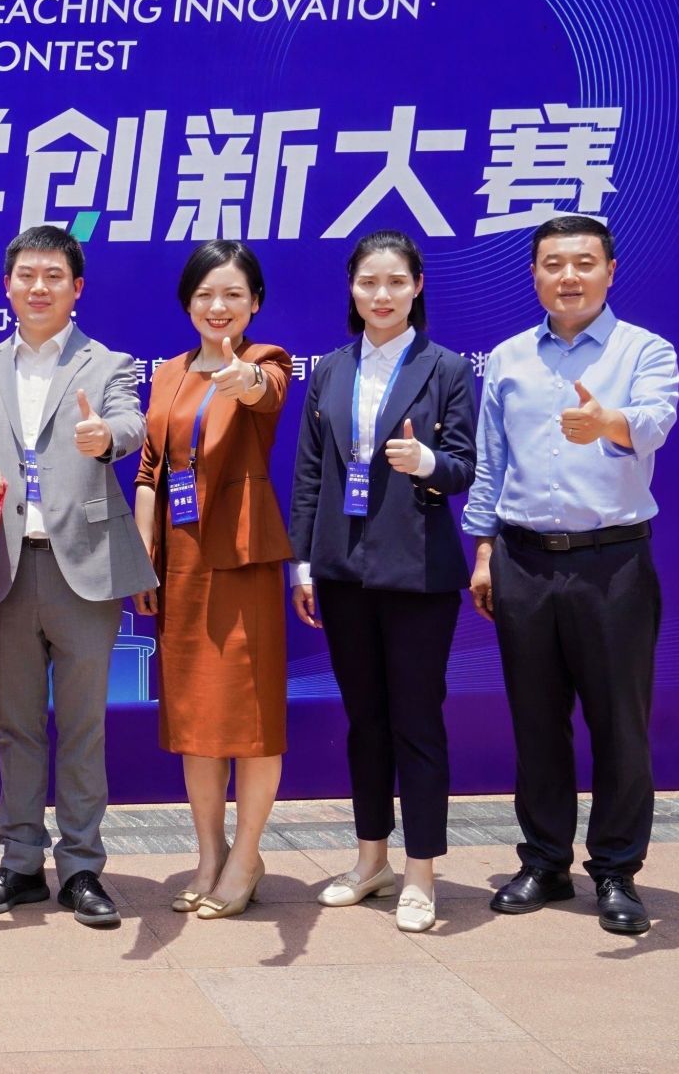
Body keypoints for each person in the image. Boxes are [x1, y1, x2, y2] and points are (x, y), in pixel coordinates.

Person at [465, 215, 678, 936]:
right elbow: (491, 463)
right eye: (553, 263)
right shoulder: (509, 358)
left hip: (612, 563)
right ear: (534, 274)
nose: (569, 276)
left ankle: (616, 870)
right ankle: (545, 861)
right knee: (536, 719)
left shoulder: (644, 350)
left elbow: (654, 421)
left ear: (610, 271)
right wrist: (485, 553)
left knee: (620, 723)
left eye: (584, 262)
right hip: (522, 560)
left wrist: (608, 422)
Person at [0, 225, 156, 929]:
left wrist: (107, 438)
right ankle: (19, 864)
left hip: (85, 568)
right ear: (7, 286)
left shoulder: (108, 363)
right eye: (27, 276)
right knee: (14, 725)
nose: (39, 287)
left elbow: (130, 424)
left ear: (77, 288)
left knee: (83, 726)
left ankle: (82, 868)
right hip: (8, 567)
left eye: (54, 276)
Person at [288, 232, 477, 933]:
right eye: (369, 282)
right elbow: (310, 472)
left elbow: (464, 466)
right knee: (365, 721)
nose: (382, 294)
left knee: (416, 722)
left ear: (417, 287)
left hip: (417, 571)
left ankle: (421, 873)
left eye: (396, 281)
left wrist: (426, 461)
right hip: (342, 570)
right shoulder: (331, 370)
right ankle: (372, 860)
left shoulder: (445, 367)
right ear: (352, 288)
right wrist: (304, 562)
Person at [133, 239, 292, 921]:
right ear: (187, 303)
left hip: (242, 559)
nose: (218, 306)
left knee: (250, 719)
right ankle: (209, 853)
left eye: (232, 294)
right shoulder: (168, 373)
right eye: (205, 295)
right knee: (195, 719)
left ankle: (247, 857)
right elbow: (150, 470)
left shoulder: (266, 360)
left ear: (254, 303)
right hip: (181, 561)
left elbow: (264, 393)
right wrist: (143, 552)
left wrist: (241, 378)